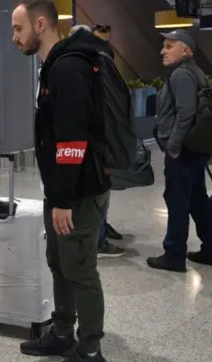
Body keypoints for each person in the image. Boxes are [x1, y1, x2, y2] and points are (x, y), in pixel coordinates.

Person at [12, 0, 111, 361]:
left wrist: (64, 200)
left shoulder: (67, 69)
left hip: (79, 191)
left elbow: (72, 140)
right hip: (63, 189)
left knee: (80, 269)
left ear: (41, 25)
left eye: (18, 28)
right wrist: (56, 195)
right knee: (59, 262)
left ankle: (88, 350)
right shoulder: (54, 66)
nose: (14, 37)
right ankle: (62, 330)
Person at [148, 29, 212, 273]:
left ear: (186, 50)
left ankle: (174, 254)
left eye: (169, 46)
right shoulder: (197, 72)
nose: (163, 51)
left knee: (177, 200)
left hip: (183, 150)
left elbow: (185, 114)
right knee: (198, 199)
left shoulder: (181, 74)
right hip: (195, 149)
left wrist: (173, 146)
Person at [68, 24, 125, 257]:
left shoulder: (97, 66)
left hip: (99, 143)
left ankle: (100, 229)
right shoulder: (70, 70)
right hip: (86, 147)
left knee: (102, 192)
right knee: (91, 194)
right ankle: (97, 237)